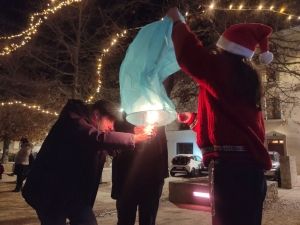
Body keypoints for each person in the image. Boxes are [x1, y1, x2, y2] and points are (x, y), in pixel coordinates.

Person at [167, 7, 272, 225]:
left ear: (226, 47)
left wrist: (177, 22)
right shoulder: (247, 79)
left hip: (229, 170)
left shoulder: (222, 69)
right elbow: (230, 123)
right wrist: (194, 120)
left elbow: (190, 55)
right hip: (252, 172)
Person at [22, 99, 155, 225]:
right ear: (96, 114)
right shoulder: (73, 120)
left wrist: (135, 135)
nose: (111, 126)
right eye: (109, 120)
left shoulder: (94, 129)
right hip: (49, 193)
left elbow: (110, 146)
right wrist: (133, 138)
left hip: (75, 196)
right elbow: (96, 139)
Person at [112, 113, 169, 225]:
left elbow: (161, 147)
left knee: (148, 219)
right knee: (125, 220)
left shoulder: (158, 117)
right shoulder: (123, 116)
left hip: (152, 177)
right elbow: (115, 132)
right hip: (126, 177)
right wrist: (132, 130)